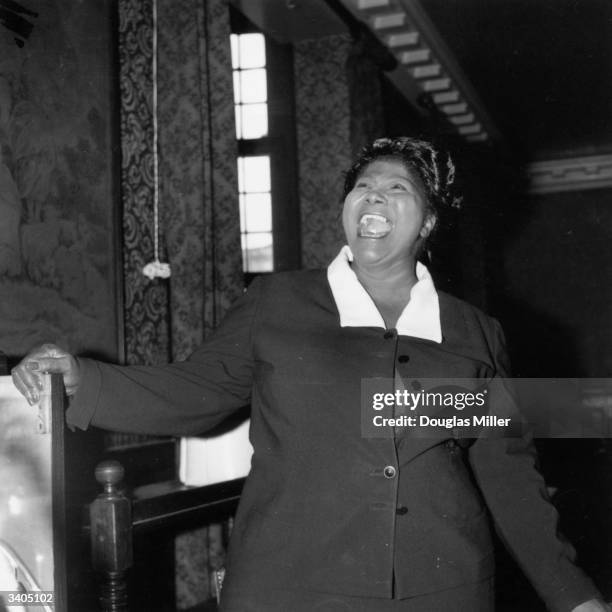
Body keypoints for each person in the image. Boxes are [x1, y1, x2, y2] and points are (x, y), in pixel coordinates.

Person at [12, 137, 610, 611]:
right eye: (362, 187)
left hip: (442, 590)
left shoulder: (474, 331)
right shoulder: (280, 301)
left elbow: (507, 478)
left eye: (396, 188)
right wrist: (78, 380)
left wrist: (574, 594)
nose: (372, 198)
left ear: (428, 223)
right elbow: (196, 390)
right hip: (288, 587)